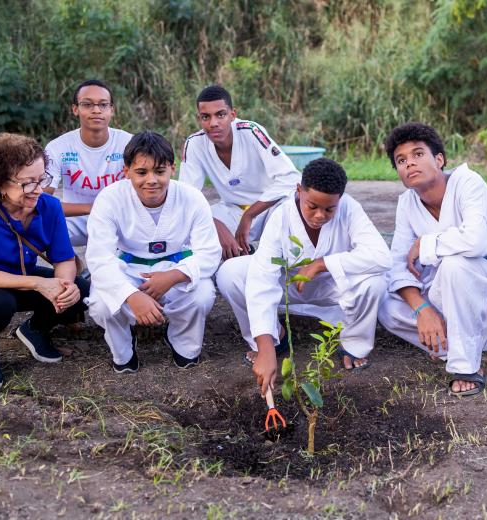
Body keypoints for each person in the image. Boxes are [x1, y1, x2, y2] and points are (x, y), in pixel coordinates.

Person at [216, 158, 390, 396]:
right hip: (287, 286)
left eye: (329, 209)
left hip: (331, 286)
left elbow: (382, 256)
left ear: (340, 199)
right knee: (230, 273)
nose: (319, 216)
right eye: (312, 206)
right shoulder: (281, 216)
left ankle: (353, 345)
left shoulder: (350, 208)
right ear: (299, 190)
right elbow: (262, 278)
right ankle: (273, 339)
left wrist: (322, 264)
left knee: (375, 282)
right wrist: (265, 347)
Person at [377, 123, 487, 397]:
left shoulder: (468, 183)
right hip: (440, 289)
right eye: (401, 160)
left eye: (418, 154)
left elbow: (476, 240)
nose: (410, 164)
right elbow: (398, 262)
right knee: (386, 305)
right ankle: (453, 343)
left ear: (439, 159)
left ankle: (466, 367)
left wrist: (426, 243)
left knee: (456, 264)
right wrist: (422, 311)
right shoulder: (407, 202)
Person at [0, 133, 89, 389]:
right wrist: (38, 284)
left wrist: (64, 287)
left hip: (20, 280)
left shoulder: (49, 206)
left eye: (42, 178)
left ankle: (35, 330)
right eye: (28, 182)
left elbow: (64, 259)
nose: (39, 189)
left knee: (81, 288)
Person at [85, 131, 221, 373]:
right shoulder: (109, 199)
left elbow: (209, 253)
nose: (151, 180)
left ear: (172, 168)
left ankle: (183, 342)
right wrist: (130, 295)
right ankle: (123, 348)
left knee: (202, 295)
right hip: (129, 269)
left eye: (160, 171)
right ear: (125, 171)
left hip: (175, 267)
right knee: (100, 304)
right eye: (141, 172)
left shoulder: (192, 198)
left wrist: (173, 277)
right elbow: (99, 258)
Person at [179, 84, 301, 260]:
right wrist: (216, 225)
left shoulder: (251, 131)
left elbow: (291, 178)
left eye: (220, 115)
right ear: (199, 118)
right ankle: (224, 266)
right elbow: (187, 197)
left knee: (289, 212)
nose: (213, 123)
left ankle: (273, 260)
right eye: (206, 117)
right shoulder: (195, 143)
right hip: (232, 210)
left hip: (268, 207)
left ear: (232, 114)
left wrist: (249, 215)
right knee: (191, 229)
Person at [44, 79, 133, 246]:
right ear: (75, 109)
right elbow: (40, 199)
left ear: (111, 110)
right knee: (37, 226)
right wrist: (92, 207)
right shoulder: (58, 147)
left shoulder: (129, 143)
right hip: (76, 220)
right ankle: (69, 264)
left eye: (103, 105)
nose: (96, 110)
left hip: (120, 218)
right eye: (87, 104)